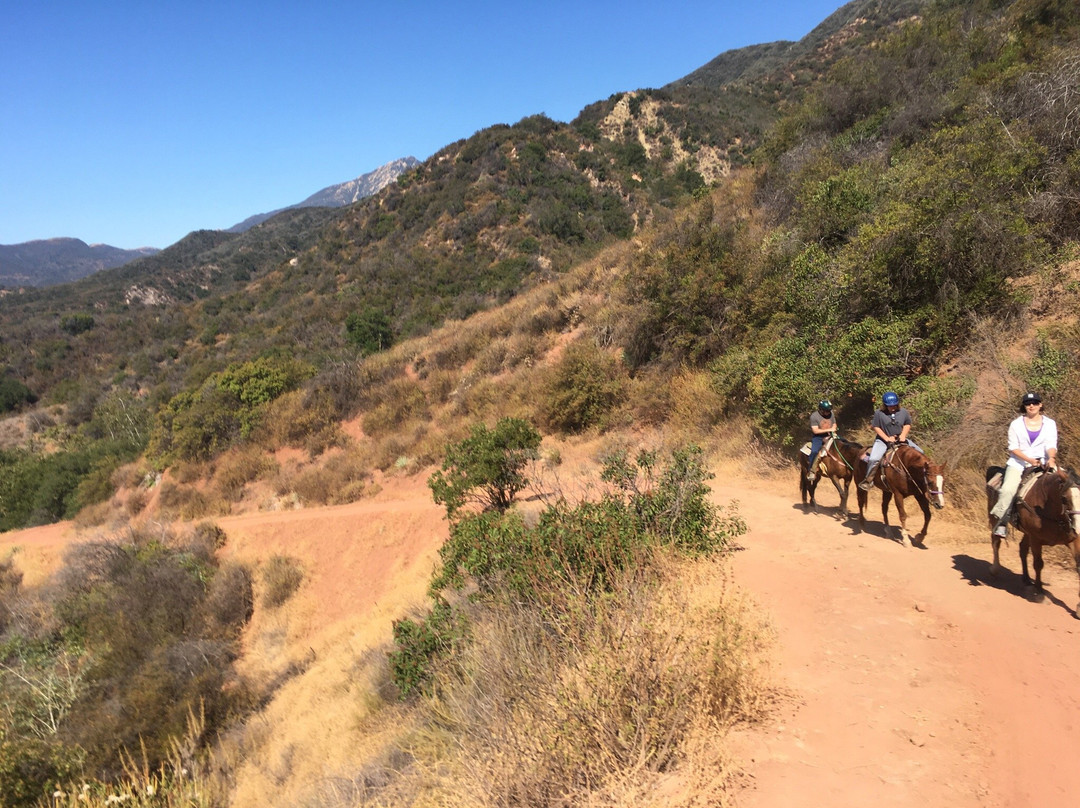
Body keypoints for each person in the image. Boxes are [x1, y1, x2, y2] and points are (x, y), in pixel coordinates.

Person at [989, 392, 1058, 538]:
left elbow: (1051, 444)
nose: (1031, 406)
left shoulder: (1050, 423)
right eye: (1028, 403)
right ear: (1024, 406)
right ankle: (1002, 522)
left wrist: (1051, 458)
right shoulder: (1016, 424)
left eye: (1034, 402)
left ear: (1040, 405)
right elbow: (1013, 447)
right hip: (1019, 463)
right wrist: (1030, 460)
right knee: (1007, 490)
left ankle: (1070, 522)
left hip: (1044, 462)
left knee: (1067, 484)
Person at [858, 391, 924, 491]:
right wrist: (887, 438)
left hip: (900, 439)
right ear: (885, 405)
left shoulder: (903, 412)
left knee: (921, 453)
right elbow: (876, 427)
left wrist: (903, 435)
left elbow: (907, 424)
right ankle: (868, 480)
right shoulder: (879, 413)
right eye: (890, 406)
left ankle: (922, 480)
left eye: (894, 405)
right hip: (883, 440)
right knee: (874, 459)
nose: (893, 407)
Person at [806, 399, 838, 482]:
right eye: (827, 411)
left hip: (830, 435)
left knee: (844, 444)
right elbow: (815, 430)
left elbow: (834, 424)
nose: (828, 412)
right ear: (821, 410)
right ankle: (811, 471)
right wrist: (830, 429)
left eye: (829, 410)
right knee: (814, 451)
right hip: (818, 437)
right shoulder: (814, 416)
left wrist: (833, 430)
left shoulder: (831, 414)